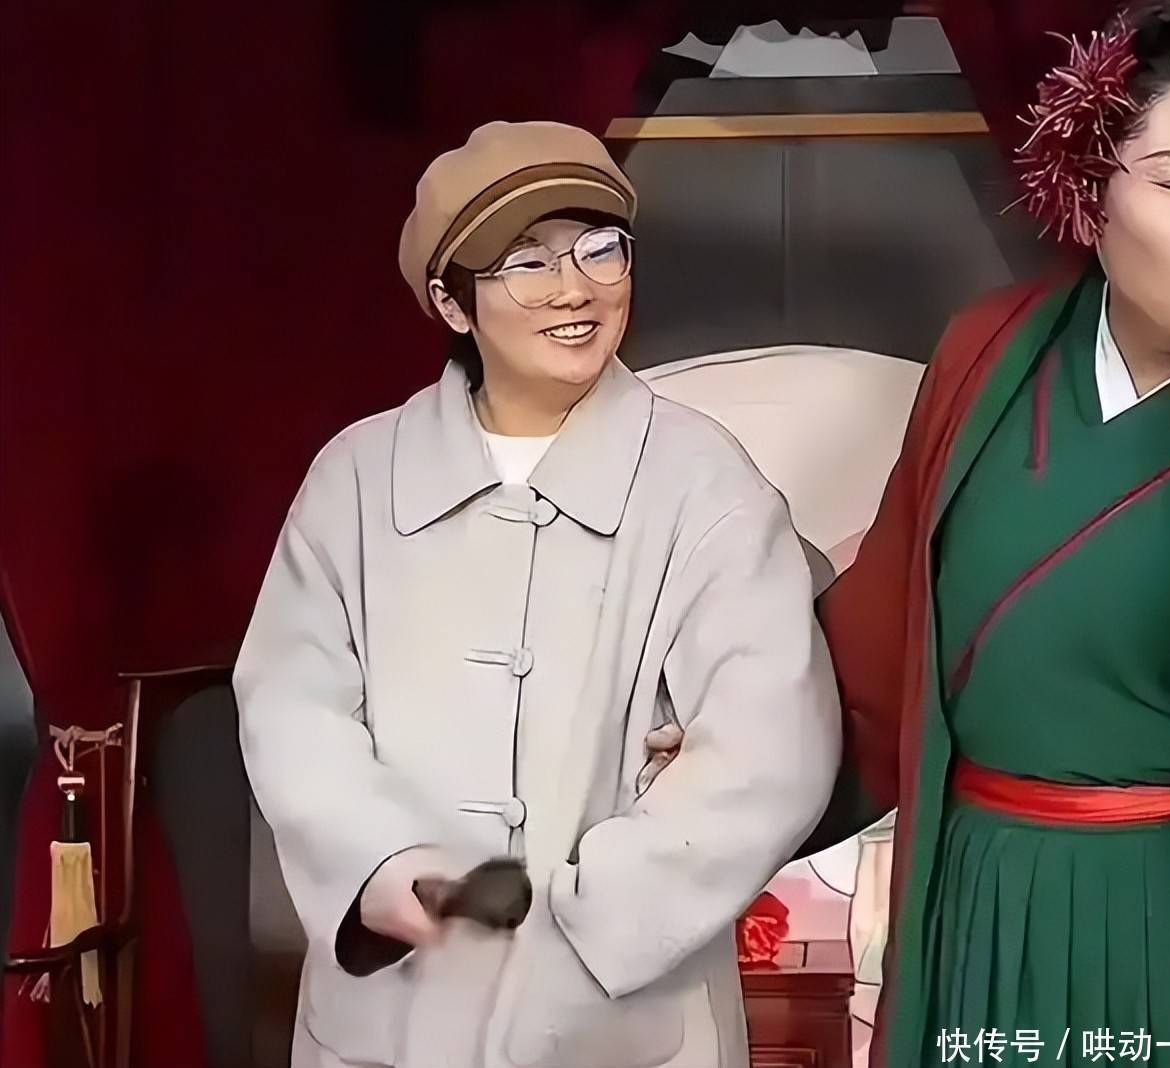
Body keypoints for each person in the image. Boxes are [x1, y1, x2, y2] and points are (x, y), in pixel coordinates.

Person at [234, 120, 840, 1068]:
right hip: (391, 1019)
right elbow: (290, 703)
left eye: (600, 249)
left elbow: (770, 744)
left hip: (620, 1018)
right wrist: (377, 862)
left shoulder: (705, 484)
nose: (575, 289)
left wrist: (597, 918)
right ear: (452, 302)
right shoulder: (355, 480)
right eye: (525, 262)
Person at [795, 5, 1170, 1064]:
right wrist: (735, 744)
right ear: (1088, 190)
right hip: (983, 896)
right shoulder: (989, 353)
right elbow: (873, 655)